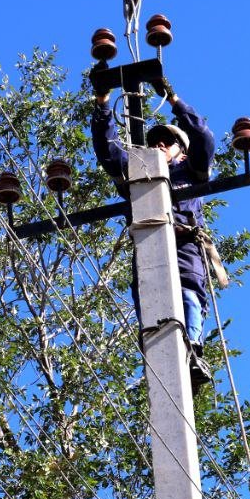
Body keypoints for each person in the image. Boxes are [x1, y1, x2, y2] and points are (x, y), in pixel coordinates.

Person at [91, 79, 216, 388]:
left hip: (185, 242)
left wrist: (173, 98)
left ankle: (193, 350)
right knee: (150, 298)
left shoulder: (191, 172)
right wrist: (103, 103)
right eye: (156, 141)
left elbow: (203, 138)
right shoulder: (139, 173)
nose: (160, 145)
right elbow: (108, 152)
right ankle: (157, 351)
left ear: (182, 153)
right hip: (149, 244)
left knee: (188, 291)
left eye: (168, 142)